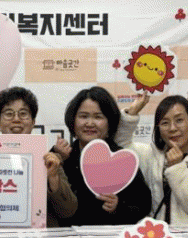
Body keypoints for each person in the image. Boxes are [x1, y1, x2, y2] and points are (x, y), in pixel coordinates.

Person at [114, 94, 188, 224]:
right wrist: (131, 113)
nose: (172, 128)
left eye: (179, 120)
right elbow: (120, 148)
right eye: (165, 123)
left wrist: (176, 167)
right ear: (158, 129)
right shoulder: (151, 156)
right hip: (157, 235)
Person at [60, 86, 151, 225]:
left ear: (110, 122)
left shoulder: (121, 158)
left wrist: (118, 207)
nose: (90, 123)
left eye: (98, 117)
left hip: (109, 236)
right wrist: (58, 158)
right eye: (83, 116)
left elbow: (144, 205)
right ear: (73, 120)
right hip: (68, 236)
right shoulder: (62, 156)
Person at [0, 86, 77, 227]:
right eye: (9, 114)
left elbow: (68, 211)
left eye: (23, 113)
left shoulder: (48, 161)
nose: (16, 119)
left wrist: (53, 177)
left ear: (33, 122)